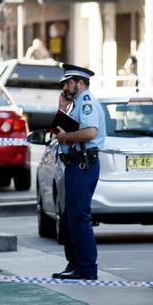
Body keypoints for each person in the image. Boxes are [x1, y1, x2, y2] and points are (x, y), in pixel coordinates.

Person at [50, 64, 107, 280]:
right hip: (74, 165)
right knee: (70, 218)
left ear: (80, 83)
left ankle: (86, 268)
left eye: (68, 83)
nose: (64, 87)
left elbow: (90, 132)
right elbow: (57, 132)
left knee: (79, 218)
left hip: (83, 165)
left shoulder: (86, 102)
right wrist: (62, 109)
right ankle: (75, 264)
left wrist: (66, 137)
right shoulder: (75, 105)